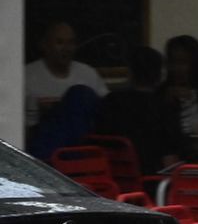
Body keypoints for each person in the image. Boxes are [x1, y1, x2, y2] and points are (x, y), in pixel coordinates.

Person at [94, 46, 187, 175]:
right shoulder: (164, 108)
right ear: (159, 75)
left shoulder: (110, 102)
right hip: (152, 184)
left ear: (130, 72)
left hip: (112, 178)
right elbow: (171, 163)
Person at [24, 20, 108, 156]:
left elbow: (107, 110)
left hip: (85, 147)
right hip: (44, 148)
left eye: (71, 43)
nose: (67, 48)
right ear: (44, 45)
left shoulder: (88, 73)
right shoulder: (27, 76)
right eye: (60, 42)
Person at [159, 34, 198, 161]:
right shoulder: (162, 93)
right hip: (179, 159)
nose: (177, 69)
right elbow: (161, 136)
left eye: (183, 62)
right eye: (172, 62)